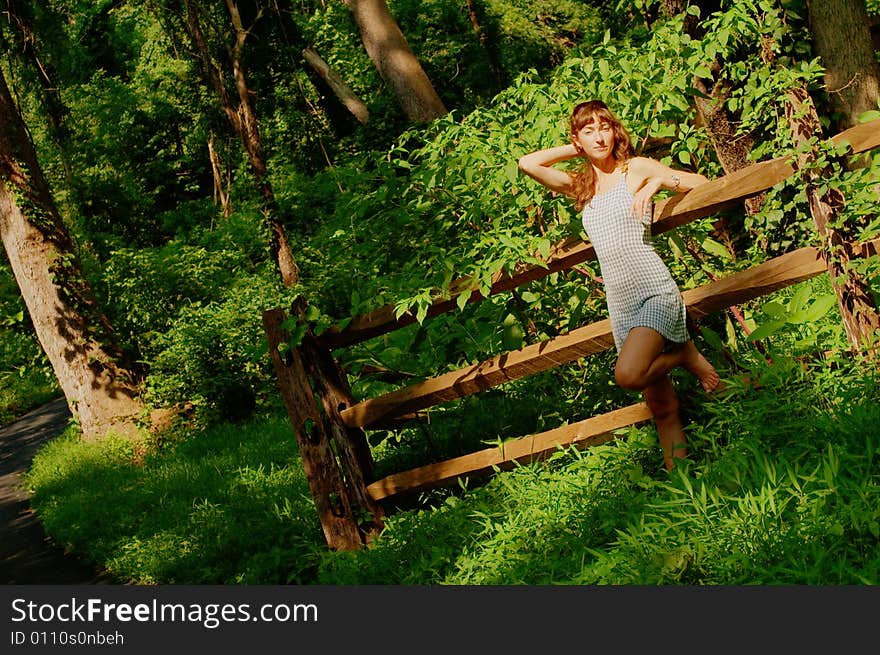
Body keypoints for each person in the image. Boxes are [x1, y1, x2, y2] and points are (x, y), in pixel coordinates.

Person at [517, 99, 720, 470]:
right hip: (621, 305)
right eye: (589, 130)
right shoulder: (581, 186)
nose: (600, 137)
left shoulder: (636, 169)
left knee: (627, 375)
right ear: (577, 138)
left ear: (616, 131)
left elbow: (702, 183)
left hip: (654, 290)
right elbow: (527, 163)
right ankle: (684, 484)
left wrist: (661, 179)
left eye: (605, 127)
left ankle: (685, 354)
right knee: (661, 406)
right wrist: (575, 145)